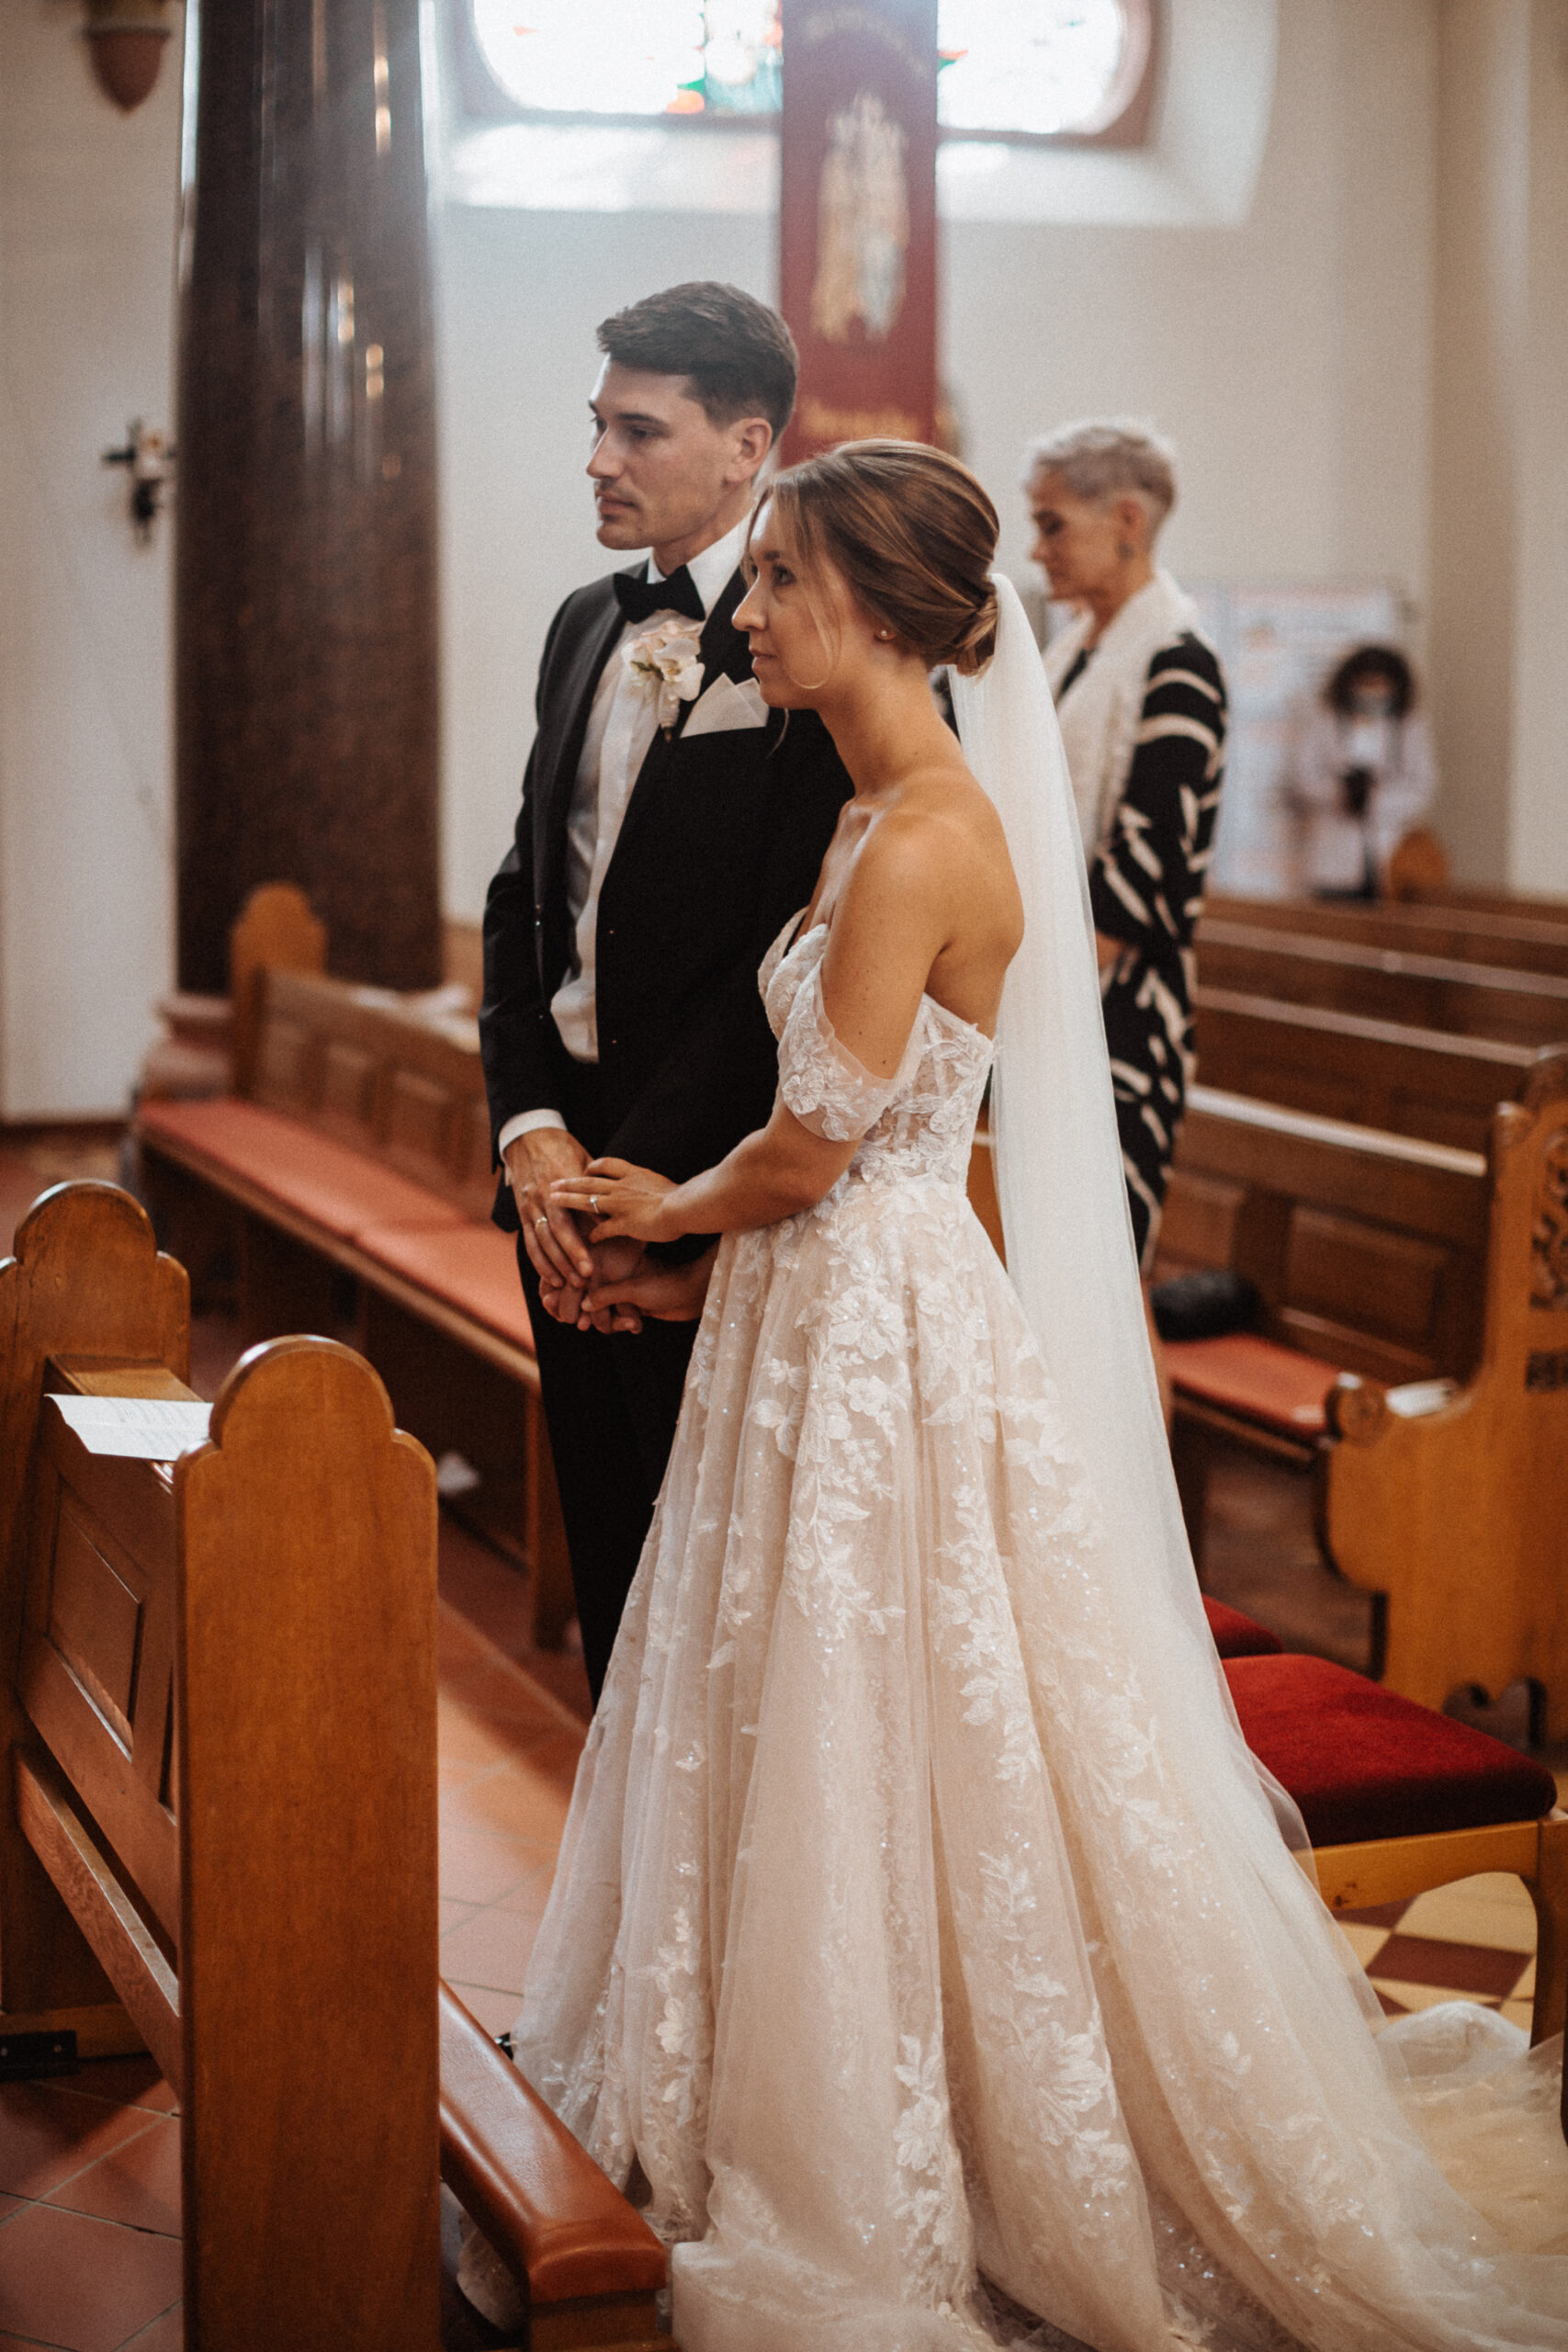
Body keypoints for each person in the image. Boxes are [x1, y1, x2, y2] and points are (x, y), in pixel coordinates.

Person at [461, 440, 1568, 2352]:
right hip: (810, 1312)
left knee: (888, 1709)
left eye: (785, 575)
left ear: (879, 608)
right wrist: (671, 1245)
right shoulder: (866, 809)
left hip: (872, 1309)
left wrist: (662, 1208)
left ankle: (914, 2127)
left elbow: (814, 1149)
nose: (754, 609)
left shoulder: (924, 838)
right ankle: (762, 2069)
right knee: (790, 1696)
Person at [477, 282, 851, 1703]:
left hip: (701, 1193)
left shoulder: (813, 642)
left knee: (720, 1590)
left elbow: (787, 944)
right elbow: (527, 893)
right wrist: (528, 1134)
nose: (597, 462)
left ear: (746, 443)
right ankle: (629, 1891)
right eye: (595, 427)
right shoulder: (584, 623)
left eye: (637, 431)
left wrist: (627, 1180)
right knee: (611, 1548)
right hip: (560, 1175)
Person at [1027, 419, 1225, 1269]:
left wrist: (1034, 1011)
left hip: (1120, 1017)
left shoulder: (1177, 660)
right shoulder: (1070, 651)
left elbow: (1142, 874)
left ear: (1128, 521)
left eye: (1051, 524)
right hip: (1049, 998)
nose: (1037, 551)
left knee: (1107, 1288)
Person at [1285, 642, 1436, 899]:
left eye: (1380, 685)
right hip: (1334, 846)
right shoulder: (1326, 721)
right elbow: (1303, 778)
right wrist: (1340, 794)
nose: (1372, 692)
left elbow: (1423, 785)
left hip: (1389, 847)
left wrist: (1375, 800)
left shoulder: (1408, 726)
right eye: (1366, 684)